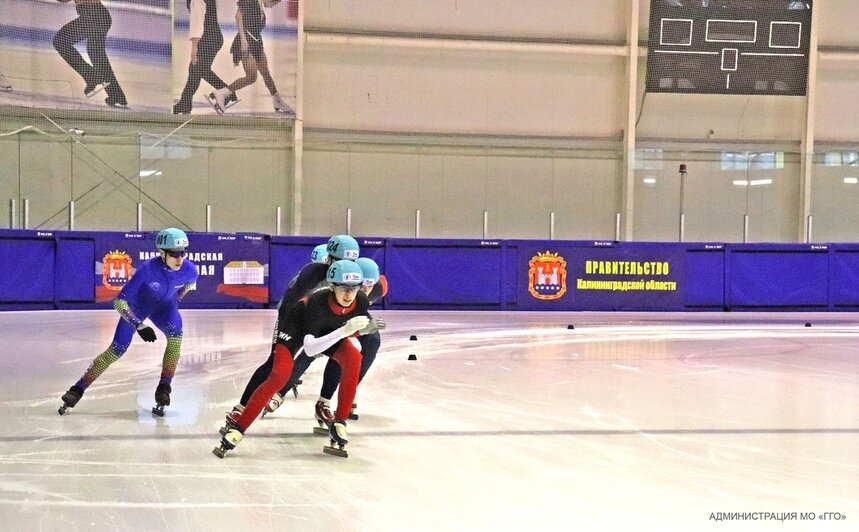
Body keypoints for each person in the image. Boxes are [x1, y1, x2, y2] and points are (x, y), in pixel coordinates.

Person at [214, 260, 383, 458]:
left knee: (353, 358)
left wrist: (358, 331)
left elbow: (343, 327)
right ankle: (239, 427)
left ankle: (339, 422)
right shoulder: (318, 302)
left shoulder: (361, 301)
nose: (349, 294)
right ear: (332, 286)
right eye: (344, 288)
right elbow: (310, 348)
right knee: (280, 374)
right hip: (294, 330)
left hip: (327, 332)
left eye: (354, 288)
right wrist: (346, 331)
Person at [58, 228, 198, 416]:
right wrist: (137, 324)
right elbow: (119, 301)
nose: (179, 259)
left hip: (165, 308)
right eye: (174, 254)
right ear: (162, 253)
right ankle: (77, 389)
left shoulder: (191, 270)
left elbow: (187, 287)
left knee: (176, 338)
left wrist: (174, 301)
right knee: (116, 350)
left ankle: (164, 388)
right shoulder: (148, 270)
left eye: (182, 253)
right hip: (138, 307)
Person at [224, 235, 359, 422]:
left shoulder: (354, 277)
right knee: (275, 364)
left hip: (321, 321)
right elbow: (289, 304)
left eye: (352, 262)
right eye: (342, 261)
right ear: (328, 259)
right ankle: (241, 407)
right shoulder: (313, 273)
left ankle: (324, 403)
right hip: (293, 319)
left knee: (345, 355)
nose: (346, 267)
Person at [313, 257, 387, 430]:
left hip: (353, 311)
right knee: (344, 346)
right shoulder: (335, 287)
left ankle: (348, 394)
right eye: (363, 286)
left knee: (372, 341)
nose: (367, 290)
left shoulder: (379, 288)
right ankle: (323, 402)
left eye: (370, 286)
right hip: (328, 317)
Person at [208, 0, 293, 115]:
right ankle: (222, 93)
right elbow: (238, 16)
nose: (272, 7)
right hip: (246, 40)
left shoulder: (259, 4)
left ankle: (277, 100)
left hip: (256, 41)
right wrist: (243, 39)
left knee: (265, 72)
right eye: (273, 3)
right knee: (252, 76)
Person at [53, 0, 127, 109]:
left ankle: (91, 75)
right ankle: (116, 96)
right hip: (101, 16)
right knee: (96, 54)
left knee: (60, 41)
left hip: (92, 16)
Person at [173, 0, 237, 114]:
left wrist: (194, 47)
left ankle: (226, 92)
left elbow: (197, 23)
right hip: (213, 37)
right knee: (197, 70)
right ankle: (185, 103)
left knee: (197, 69)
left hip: (208, 39)